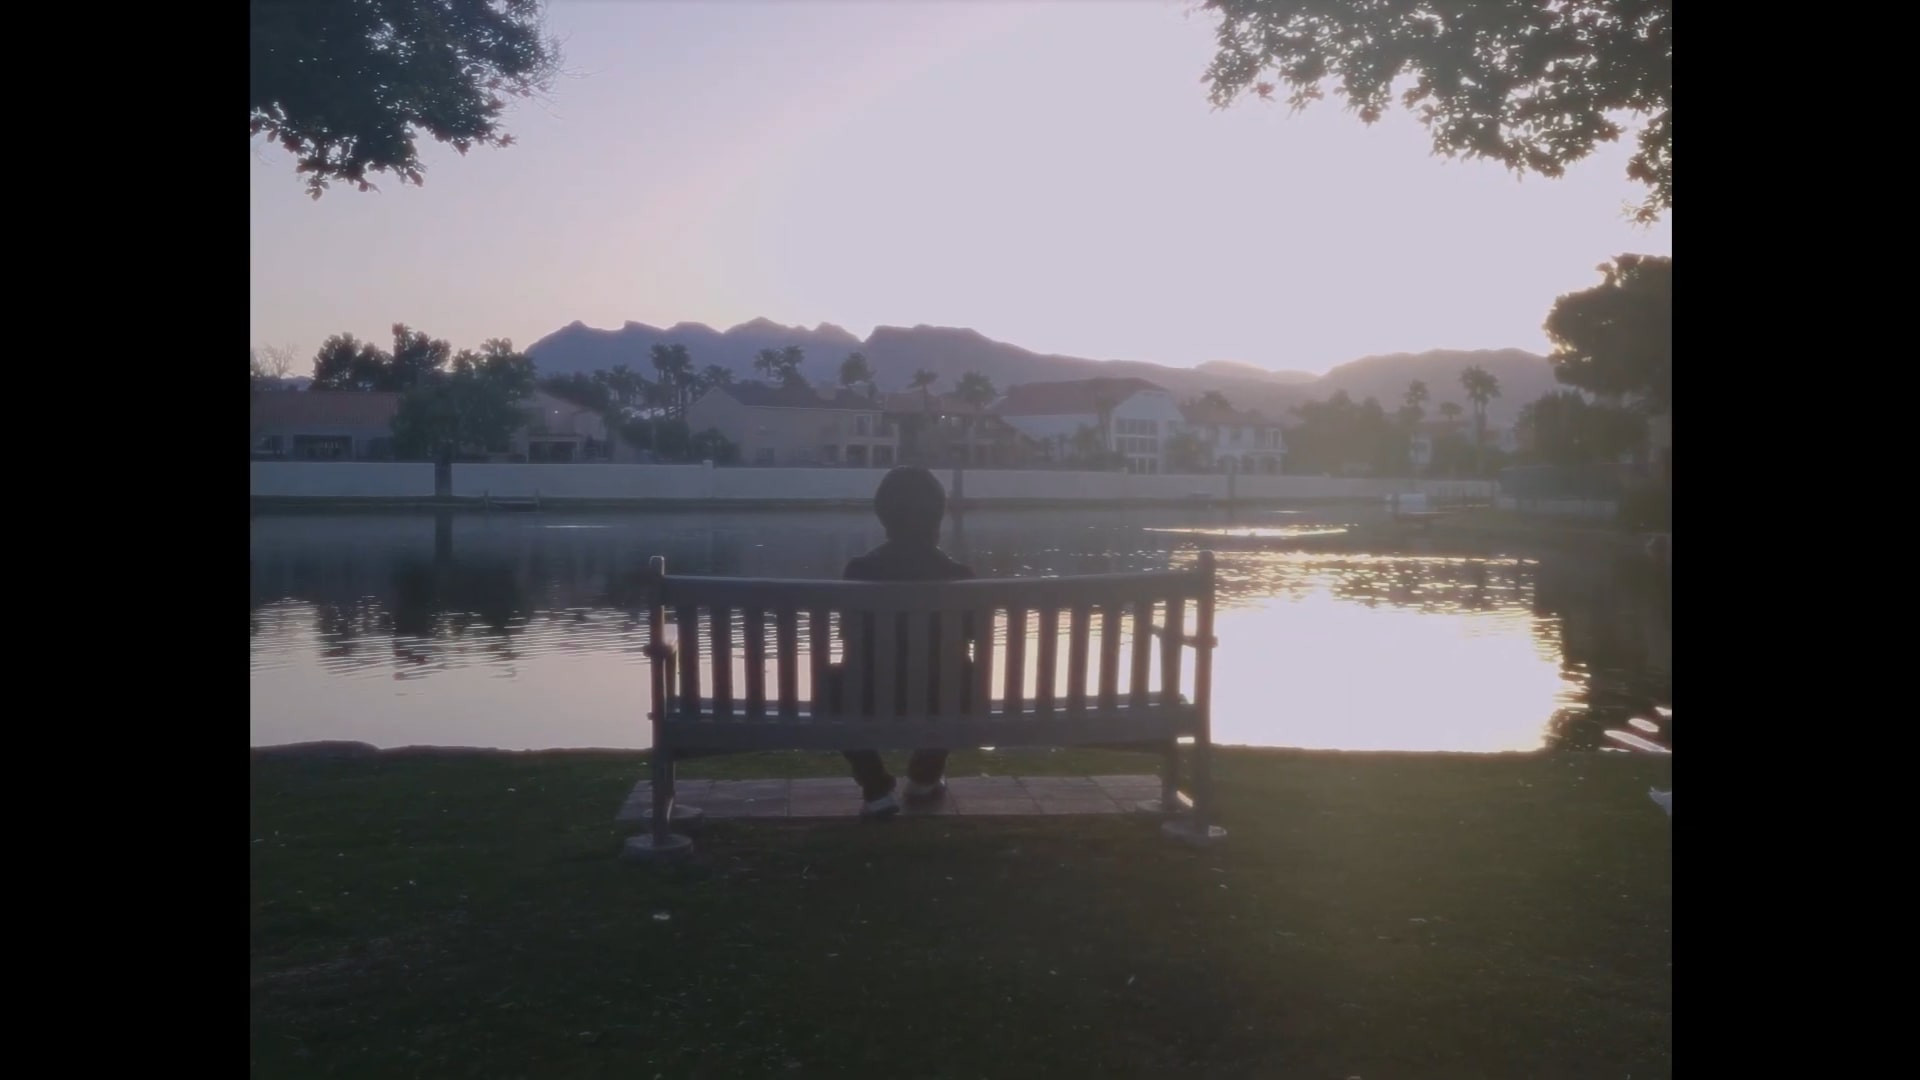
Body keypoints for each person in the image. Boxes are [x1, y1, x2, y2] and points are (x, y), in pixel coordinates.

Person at [836, 466, 974, 818]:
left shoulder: (858, 572)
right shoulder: (961, 576)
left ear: (883, 516)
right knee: (966, 676)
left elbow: (848, 636)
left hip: (869, 696)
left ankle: (876, 788)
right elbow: (972, 638)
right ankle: (925, 776)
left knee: (835, 683)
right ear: (938, 516)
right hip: (940, 696)